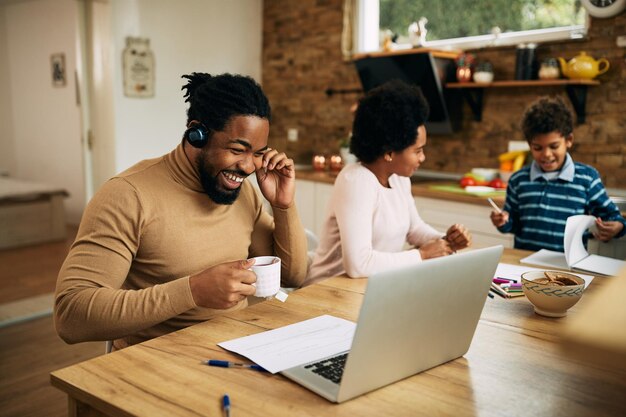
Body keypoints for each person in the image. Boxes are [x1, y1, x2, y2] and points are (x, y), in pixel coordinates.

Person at [54, 73, 308, 350]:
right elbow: (71, 316)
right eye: (237, 149)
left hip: (241, 351)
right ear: (197, 134)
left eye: (258, 153)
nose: (248, 167)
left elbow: (291, 277)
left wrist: (283, 205)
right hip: (160, 364)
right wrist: (193, 291)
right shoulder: (127, 196)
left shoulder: (243, 193)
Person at [305, 80, 471, 285]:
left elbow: (414, 229)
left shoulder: (399, 178)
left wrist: (446, 240)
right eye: (417, 151)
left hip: (370, 287)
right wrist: (422, 255)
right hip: (328, 290)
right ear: (389, 152)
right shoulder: (356, 180)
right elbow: (358, 265)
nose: (423, 158)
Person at [490, 96, 625, 251]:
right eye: (538, 148)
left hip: (567, 267)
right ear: (529, 145)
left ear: (569, 140)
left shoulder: (587, 179)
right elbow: (512, 225)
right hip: (524, 263)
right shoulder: (518, 180)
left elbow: (612, 216)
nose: (546, 154)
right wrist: (502, 222)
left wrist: (618, 226)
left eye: (554, 146)